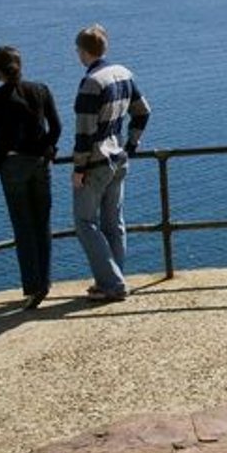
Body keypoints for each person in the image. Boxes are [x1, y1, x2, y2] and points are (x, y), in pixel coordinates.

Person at [70, 23, 151, 302]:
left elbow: (84, 132)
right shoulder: (123, 74)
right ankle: (112, 279)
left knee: (84, 222)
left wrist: (79, 168)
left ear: (83, 51)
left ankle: (113, 284)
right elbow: (143, 112)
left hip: (95, 163)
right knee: (113, 222)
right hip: (119, 157)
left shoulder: (92, 83)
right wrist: (132, 143)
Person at [0, 45, 62, 310]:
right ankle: (45, 283)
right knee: (43, 224)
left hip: (13, 166)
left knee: (23, 226)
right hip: (41, 164)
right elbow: (57, 127)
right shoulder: (41, 89)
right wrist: (47, 148)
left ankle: (32, 287)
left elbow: (0, 139)